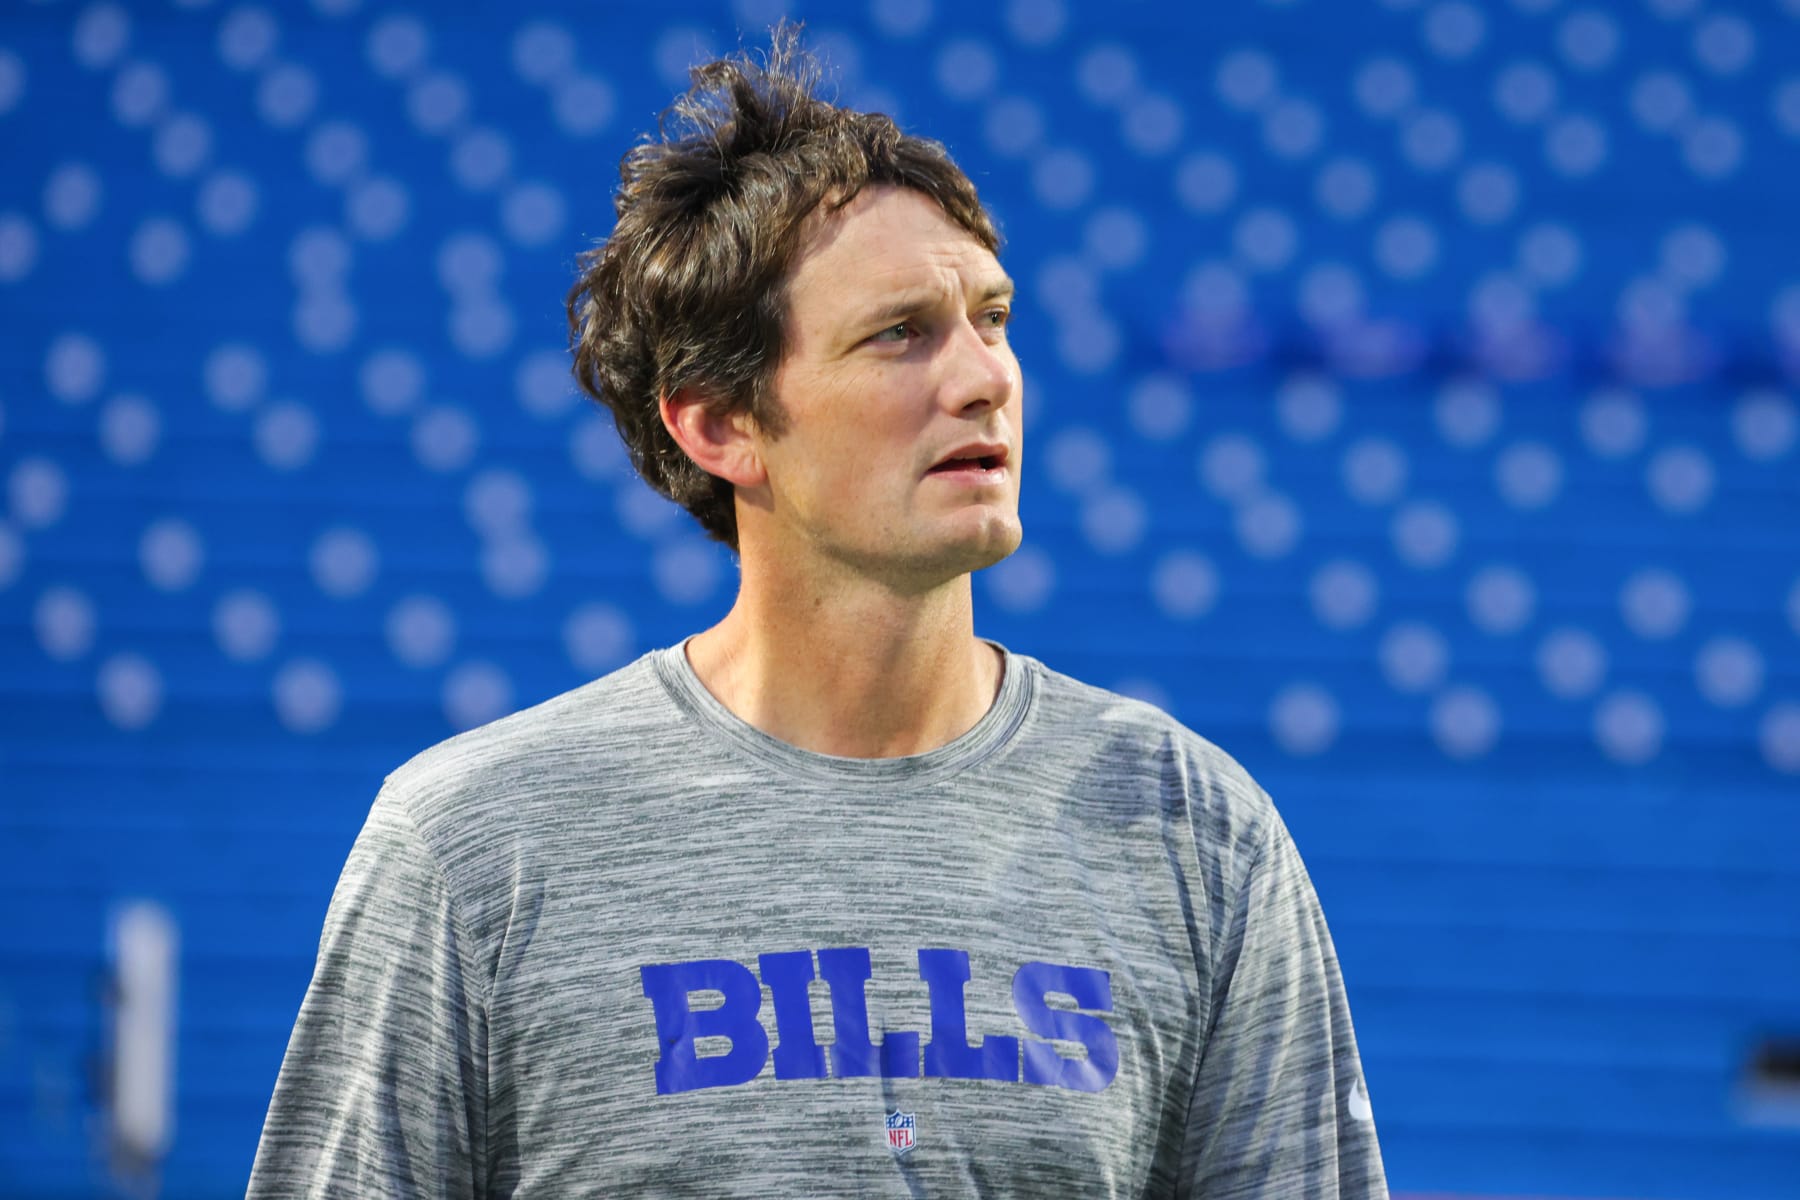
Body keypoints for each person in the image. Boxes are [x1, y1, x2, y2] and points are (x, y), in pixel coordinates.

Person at [248, 25, 1387, 1199]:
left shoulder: (1194, 834)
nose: (983, 375)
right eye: (900, 334)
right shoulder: (475, 848)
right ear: (721, 424)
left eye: (991, 319)